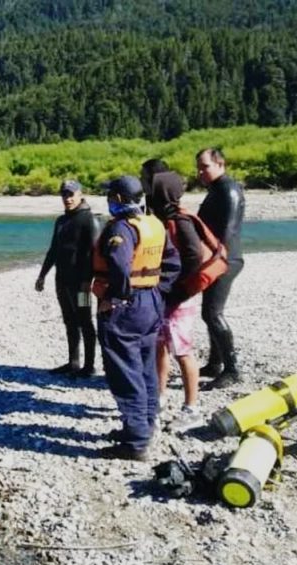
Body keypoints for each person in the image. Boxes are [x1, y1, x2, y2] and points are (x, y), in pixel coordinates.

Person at [93, 175, 180, 460]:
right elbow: (172, 263)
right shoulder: (153, 224)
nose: (107, 201)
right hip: (150, 302)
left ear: (118, 200)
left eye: (110, 196)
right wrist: (156, 291)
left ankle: (136, 441)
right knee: (144, 368)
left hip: (126, 307)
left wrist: (114, 298)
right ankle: (145, 425)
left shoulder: (122, 228)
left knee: (124, 371)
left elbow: (119, 264)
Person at [147, 171, 205, 433]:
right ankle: (159, 397)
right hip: (167, 295)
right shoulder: (163, 218)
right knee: (160, 345)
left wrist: (177, 287)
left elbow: (194, 257)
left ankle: (192, 408)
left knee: (182, 352)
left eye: (154, 190)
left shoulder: (180, 221)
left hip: (180, 299)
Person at [35, 180, 100, 377]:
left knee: (85, 321)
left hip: (82, 284)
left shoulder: (90, 220)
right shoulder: (62, 221)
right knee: (69, 320)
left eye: (71, 194)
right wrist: (42, 275)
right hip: (62, 281)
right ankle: (73, 362)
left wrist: (87, 281)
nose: (68, 198)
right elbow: (53, 250)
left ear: (81, 194)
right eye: (64, 195)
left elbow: (93, 254)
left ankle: (89, 367)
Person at [195, 148, 246, 390]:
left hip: (226, 260)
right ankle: (215, 363)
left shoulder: (229, 189)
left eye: (205, 166)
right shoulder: (217, 189)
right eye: (199, 167)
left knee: (212, 313)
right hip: (217, 258)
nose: (200, 172)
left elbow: (228, 230)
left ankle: (232, 369)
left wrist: (215, 259)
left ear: (220, 164)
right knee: (209, 311)